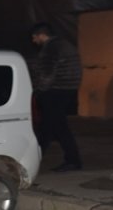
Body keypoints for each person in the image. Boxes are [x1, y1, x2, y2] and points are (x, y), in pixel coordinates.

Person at [28, 23, 83, 171]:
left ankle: (73, 160)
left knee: (58, 127)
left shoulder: (51, 48)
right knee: (49, 127)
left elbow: (47, 74)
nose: (34, 41)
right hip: (67, 89)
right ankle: (35, 158)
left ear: (41, 35)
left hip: (55, 91)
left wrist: (39, 90)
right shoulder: (65, 44)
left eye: (34, 37)